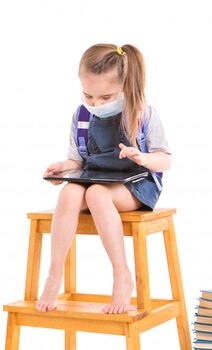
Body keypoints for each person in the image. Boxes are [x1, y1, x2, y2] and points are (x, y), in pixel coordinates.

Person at [36, 44, 172, 314]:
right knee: (69, 193)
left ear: (125, 87)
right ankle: (54, 273)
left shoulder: (143, 113)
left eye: (105, 97)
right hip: (95, 178)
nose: (95, 104)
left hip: (135, 184)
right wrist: (62, 169)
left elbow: (165, 159)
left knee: (96, 193)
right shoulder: (82, 116)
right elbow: (77, 160)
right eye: (88, 95)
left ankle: (122, 276)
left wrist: (143, 158)